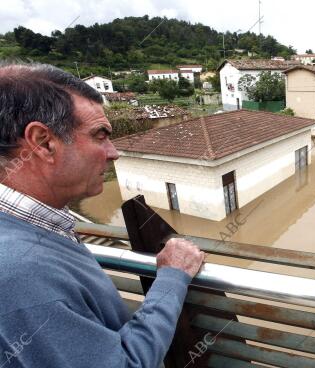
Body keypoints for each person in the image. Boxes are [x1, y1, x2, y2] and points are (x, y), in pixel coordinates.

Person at [0, 62, 205, 367]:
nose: (114, 152)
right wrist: (172, 278)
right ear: (43, 142)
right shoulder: (19, 271)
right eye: (100, 135)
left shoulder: (33, 228)